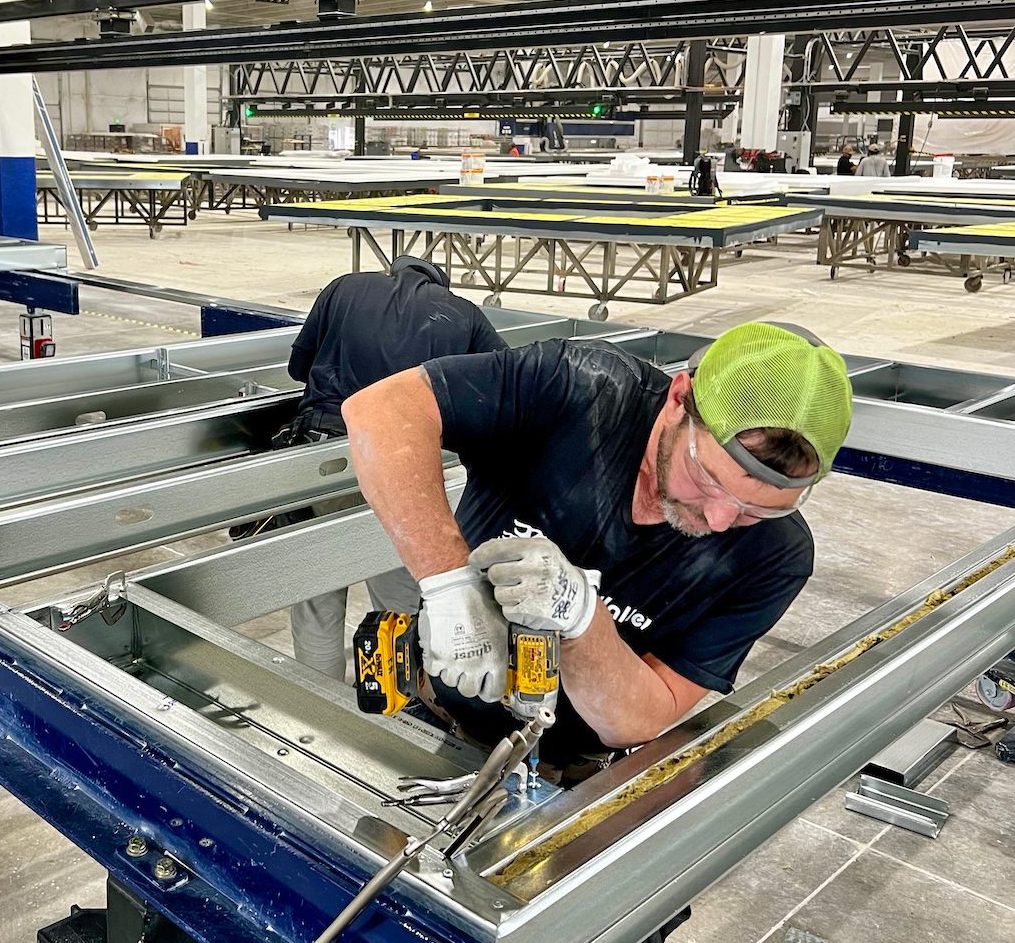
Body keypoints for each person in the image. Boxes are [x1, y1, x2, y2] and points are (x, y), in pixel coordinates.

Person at [342, 322, 852, 768]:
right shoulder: (583, 389)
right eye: (710, 480)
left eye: (758, 508)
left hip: (567, 773)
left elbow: (642, 718)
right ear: (679, 400)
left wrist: (583, 621)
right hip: (433, 717)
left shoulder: (776, 556)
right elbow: (381, 410)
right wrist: (450, 582)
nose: (720, 520)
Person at [278, 257, 506, 681]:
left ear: (394, 271)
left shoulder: (344, 287)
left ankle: (320, 708)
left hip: (320, 458)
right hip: (399, 466)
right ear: (441, 285)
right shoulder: (464, 314)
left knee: (316, 592)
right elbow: (502, 388)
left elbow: (297, 368)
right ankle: (400, 709)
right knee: (398, 595)